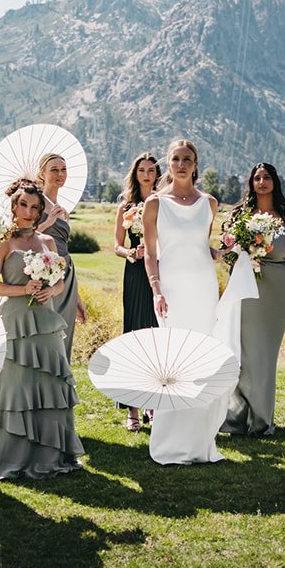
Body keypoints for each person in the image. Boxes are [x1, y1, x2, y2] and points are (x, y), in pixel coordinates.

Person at [0, 177, 84, 480]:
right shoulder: (2, 242)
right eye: (23, 205)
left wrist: (51, 292)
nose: (28, 211)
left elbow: (61, 280)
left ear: (41, 211)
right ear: (13, 207)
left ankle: (52, 454)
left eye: (35, 207)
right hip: (13, 321)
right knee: (14, 387)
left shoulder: (48, 243)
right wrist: (23, 290)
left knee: (50, 384)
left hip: (46, 320)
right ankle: (9, 455)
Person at [143, 138, 232, 465]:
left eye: (187, 159)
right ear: (169, 164)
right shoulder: (154, 203)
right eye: (176, 159)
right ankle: (168, 443)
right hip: (172, 291)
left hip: (204, 288)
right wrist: (156, 290)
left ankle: (199, 442)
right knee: (174, 360)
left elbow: (200, 246)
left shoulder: (209, 203)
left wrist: (223, 251)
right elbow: (151, 254)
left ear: (195, 164)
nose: (181, 164)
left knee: (202, 360)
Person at [222, 162, 285, 437]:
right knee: (244, 352)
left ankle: (261, 420)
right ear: (251, 183)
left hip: (277, 287)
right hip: (246, 285)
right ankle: (236, 418)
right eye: (257, 178)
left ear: (275, 181)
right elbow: (229, 255)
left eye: (267, 177)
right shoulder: (241, 215)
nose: (262, 182)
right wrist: (233, 249)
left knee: (265, 355)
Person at [113, 152, 161, 432]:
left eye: (151, 170)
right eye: (142, 169)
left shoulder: (163, 202)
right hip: (134, 273)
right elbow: (116, 245)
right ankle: (131, 408)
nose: (146, 174)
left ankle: (152, 405)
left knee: (155, 337)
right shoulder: (126, 206)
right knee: (133, 335)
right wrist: (131, 252)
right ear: (135, 173)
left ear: (157, 174)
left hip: (159, 272)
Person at [37, 153, 88, 360]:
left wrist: (76, 297)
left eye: (63, 169)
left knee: (64, 334)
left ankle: (61, 389)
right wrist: (48, 222)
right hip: (44, 273)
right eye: (54, 170)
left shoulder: (64, 211)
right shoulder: (35, 203)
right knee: (48, 333)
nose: (60, 174)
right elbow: (23, 237)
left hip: (67, 274)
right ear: (42, 173)